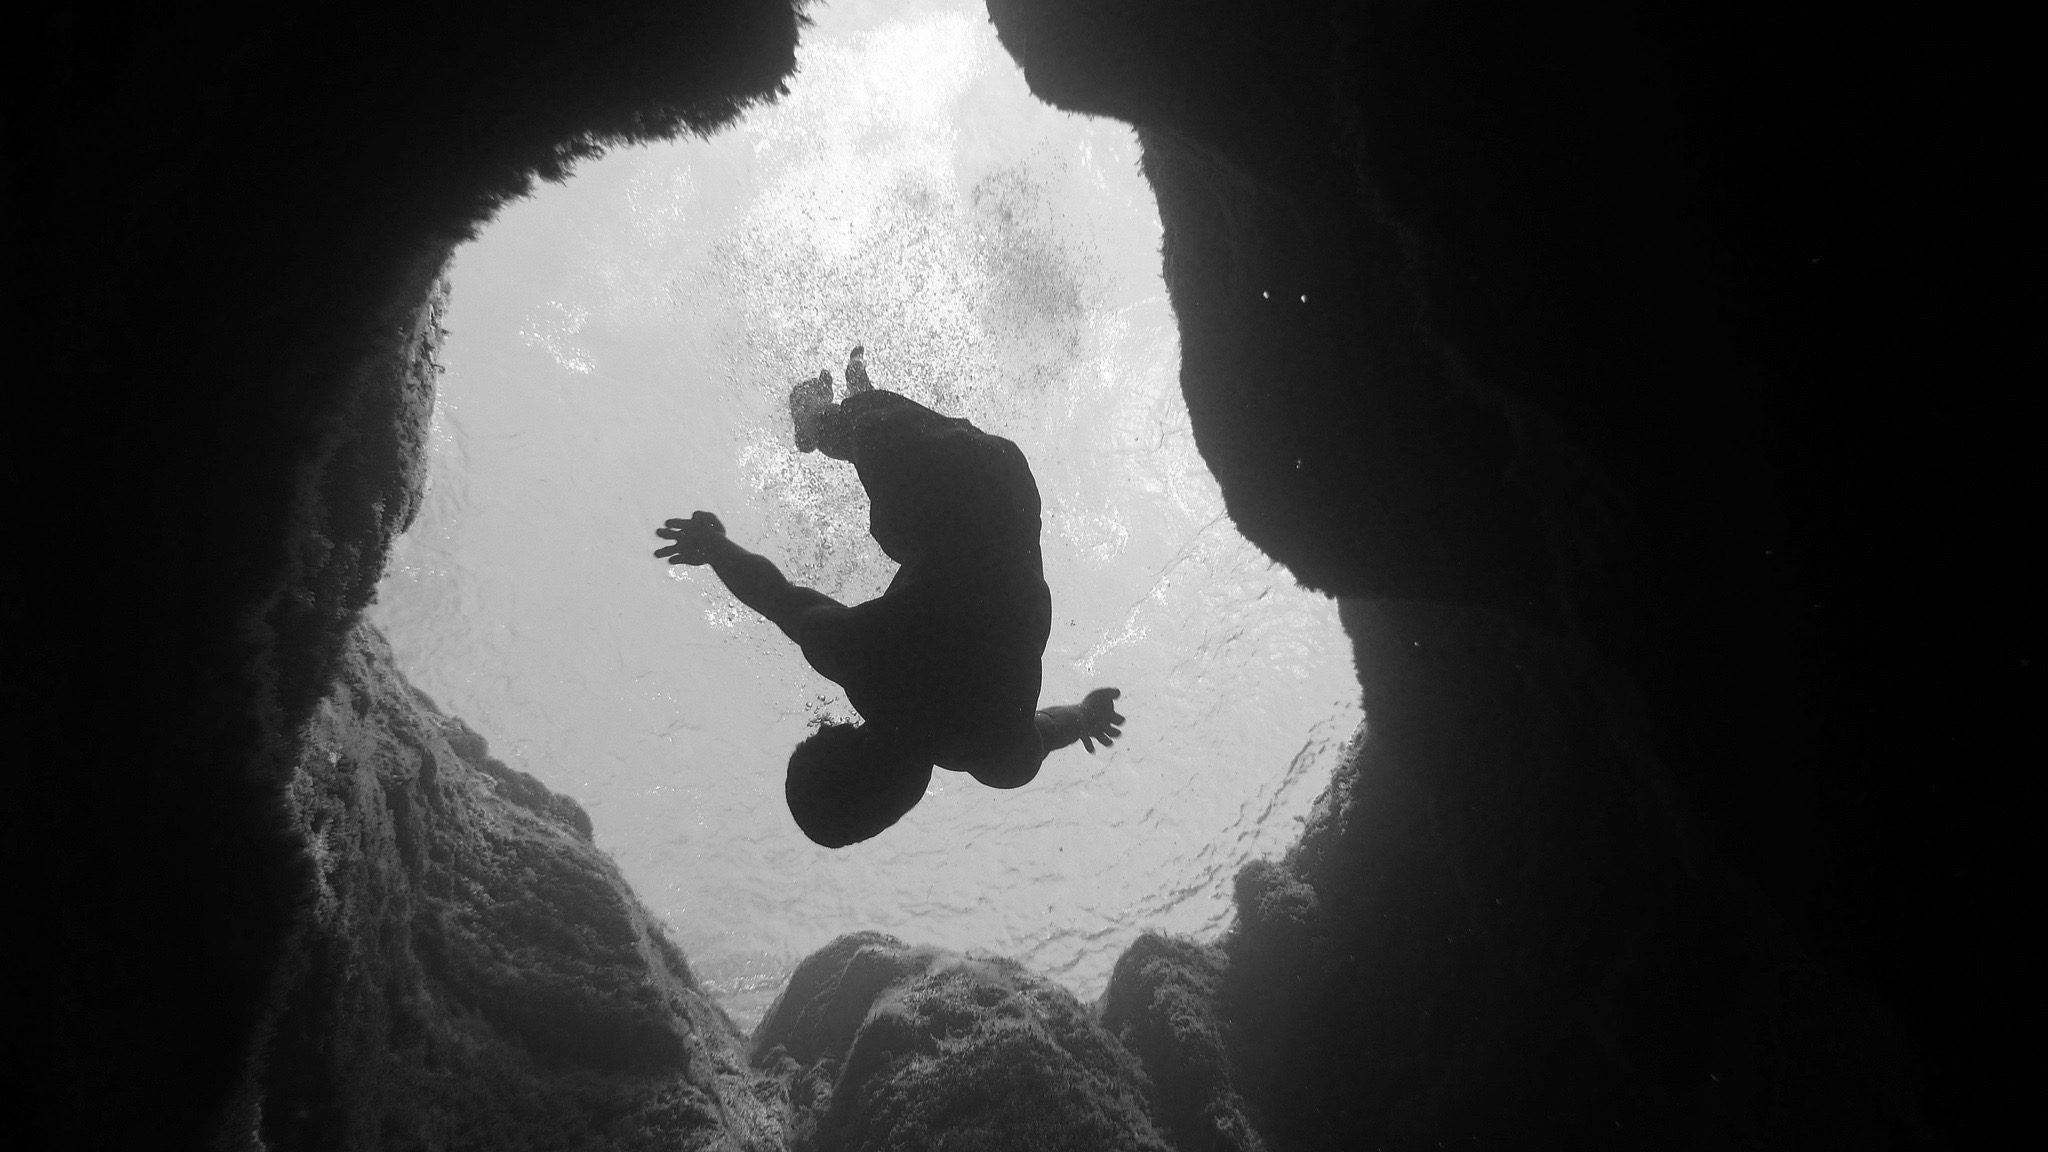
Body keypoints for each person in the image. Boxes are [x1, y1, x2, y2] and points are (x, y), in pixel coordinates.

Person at [654, 345, 1126, 847]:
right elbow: (775, 596)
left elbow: (1052, 725)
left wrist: (1085, 715)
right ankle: (831, 414)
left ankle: (835, 411)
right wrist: (715, 548)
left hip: (1002, 489)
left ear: (896, 806)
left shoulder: (997, 755)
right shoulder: (860, 660)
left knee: (886, 467)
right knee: (878, 448)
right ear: (836, 732)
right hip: (969, 487)